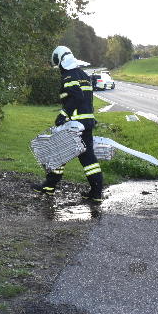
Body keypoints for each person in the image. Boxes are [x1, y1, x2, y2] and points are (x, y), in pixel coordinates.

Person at [32, 46, 104, 202]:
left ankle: (50, 186)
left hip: (75, 124)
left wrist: (64, 114)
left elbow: (77, 96)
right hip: (86, 122)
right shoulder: (83, 74)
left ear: (60, 61)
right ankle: (96, 192)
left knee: (59, 152)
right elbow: (86, 98)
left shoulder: (69, 77)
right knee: (87, 159)